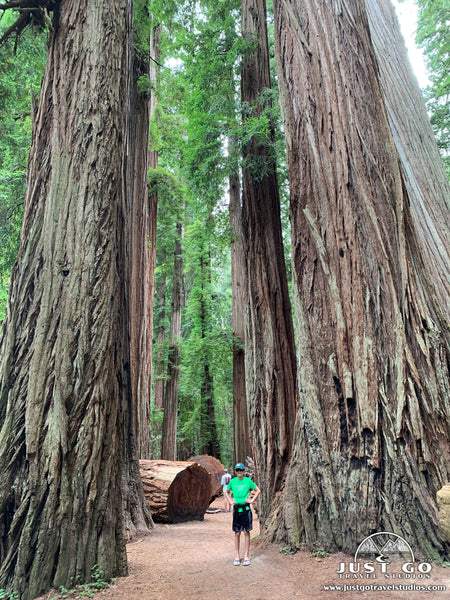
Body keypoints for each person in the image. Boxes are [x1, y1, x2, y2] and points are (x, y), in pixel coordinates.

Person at [224, 462, 261, 566]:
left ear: (244, 471)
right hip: (237, 509)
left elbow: (258, 490)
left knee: (246, 532)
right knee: (237, 532)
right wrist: (230, 501)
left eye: (241, 470)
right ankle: (236, 556)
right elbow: (226, 491)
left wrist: (252, 499)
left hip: (246, 508)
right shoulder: (233, 481)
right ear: (235, 472)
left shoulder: (248, 481)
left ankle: (246, 556)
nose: (239, 472)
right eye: (237, 470)